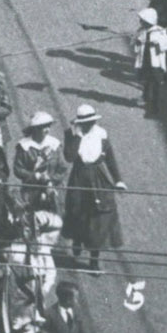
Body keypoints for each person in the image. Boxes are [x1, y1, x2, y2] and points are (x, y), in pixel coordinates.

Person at [62, 106, 124, 273]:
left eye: (91, 122)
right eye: (85, 123)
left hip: (98, 178)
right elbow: (69, 157)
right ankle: (77, 239)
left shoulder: (102, 134)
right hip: (79, 176)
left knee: (99, 217)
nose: (89, 125)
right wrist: (77, 137)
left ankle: (94, 260)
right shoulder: (71, 134)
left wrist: (118, 180)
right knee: (77, 210)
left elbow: (110, 158)